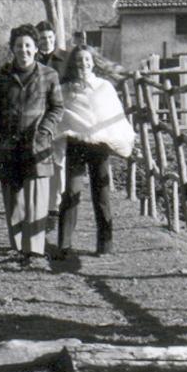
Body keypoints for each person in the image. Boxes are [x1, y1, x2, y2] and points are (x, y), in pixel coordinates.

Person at [0, 24, 64, 266]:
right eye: (19, 46)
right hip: (7, 146)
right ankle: (18, 248)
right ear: (12, 48)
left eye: (28, 45)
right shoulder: (0, 78)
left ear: (36, 48)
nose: (24, 50)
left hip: (37, 146)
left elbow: (57, 107)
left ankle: (35, 251)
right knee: (13, 201)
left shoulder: (49, 75)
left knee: (37, 200)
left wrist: (45, 129)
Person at [54, 44, 135, 258]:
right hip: (76, 143)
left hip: (100, 145)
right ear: (73, 64)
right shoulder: (65, 89)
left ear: (93, 62)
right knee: (71, 192)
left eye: (87, 60)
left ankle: (105, 245)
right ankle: (64, 245)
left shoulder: (104, 87)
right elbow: (61, 116)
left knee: (102, 193)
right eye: (79, 60)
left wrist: (119, 139)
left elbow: (114, 115)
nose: (83, 64)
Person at [34, 20, 69, 239]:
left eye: (49, 37)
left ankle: (55, 205)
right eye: (42, 38)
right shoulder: (31, 59)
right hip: (36, 117)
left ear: (54, 38)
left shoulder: (65, 59)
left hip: (59, 116)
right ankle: (40, 202)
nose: (46, 41)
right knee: (38, 159)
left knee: (59, 161)